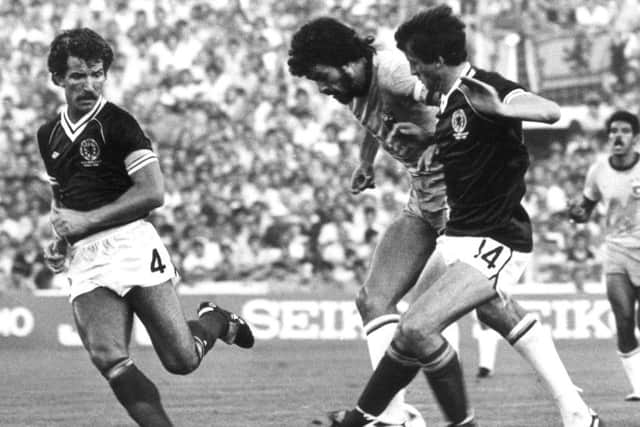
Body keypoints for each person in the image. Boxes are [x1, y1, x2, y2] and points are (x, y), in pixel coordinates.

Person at [322, 6, 602, 427]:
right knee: (413, 328)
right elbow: (458, 132)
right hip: (461, 236)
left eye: (416, 63)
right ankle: (376, 418)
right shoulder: (448, 101)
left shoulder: (483, 88)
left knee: (417, 328)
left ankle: (384, 420)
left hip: (499, 240)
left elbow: (549, 112)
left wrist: (503, 109)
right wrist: (426, 137)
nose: (412, 72)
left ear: (436, 61)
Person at [38, 28, 254, 427]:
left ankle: (216, 320)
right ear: (58, 79)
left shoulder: (119, 124)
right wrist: (61, 237)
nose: (89, 84)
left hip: (132, 244)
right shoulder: (47, 134)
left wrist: (84, 221)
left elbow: (154, 192)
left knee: (181, 359)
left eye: (96, 74)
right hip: (86, 256)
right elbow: (63, 197)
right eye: (77, 76)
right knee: (109, 358)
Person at [569, 110, 640, 401]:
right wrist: (578, 213)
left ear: (635, 138)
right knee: (623, 320)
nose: (617, 136)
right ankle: (638, 387)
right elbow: (586, 207)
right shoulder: (598, 171)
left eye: (624, 131)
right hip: (615, 252)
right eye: (613, 131)